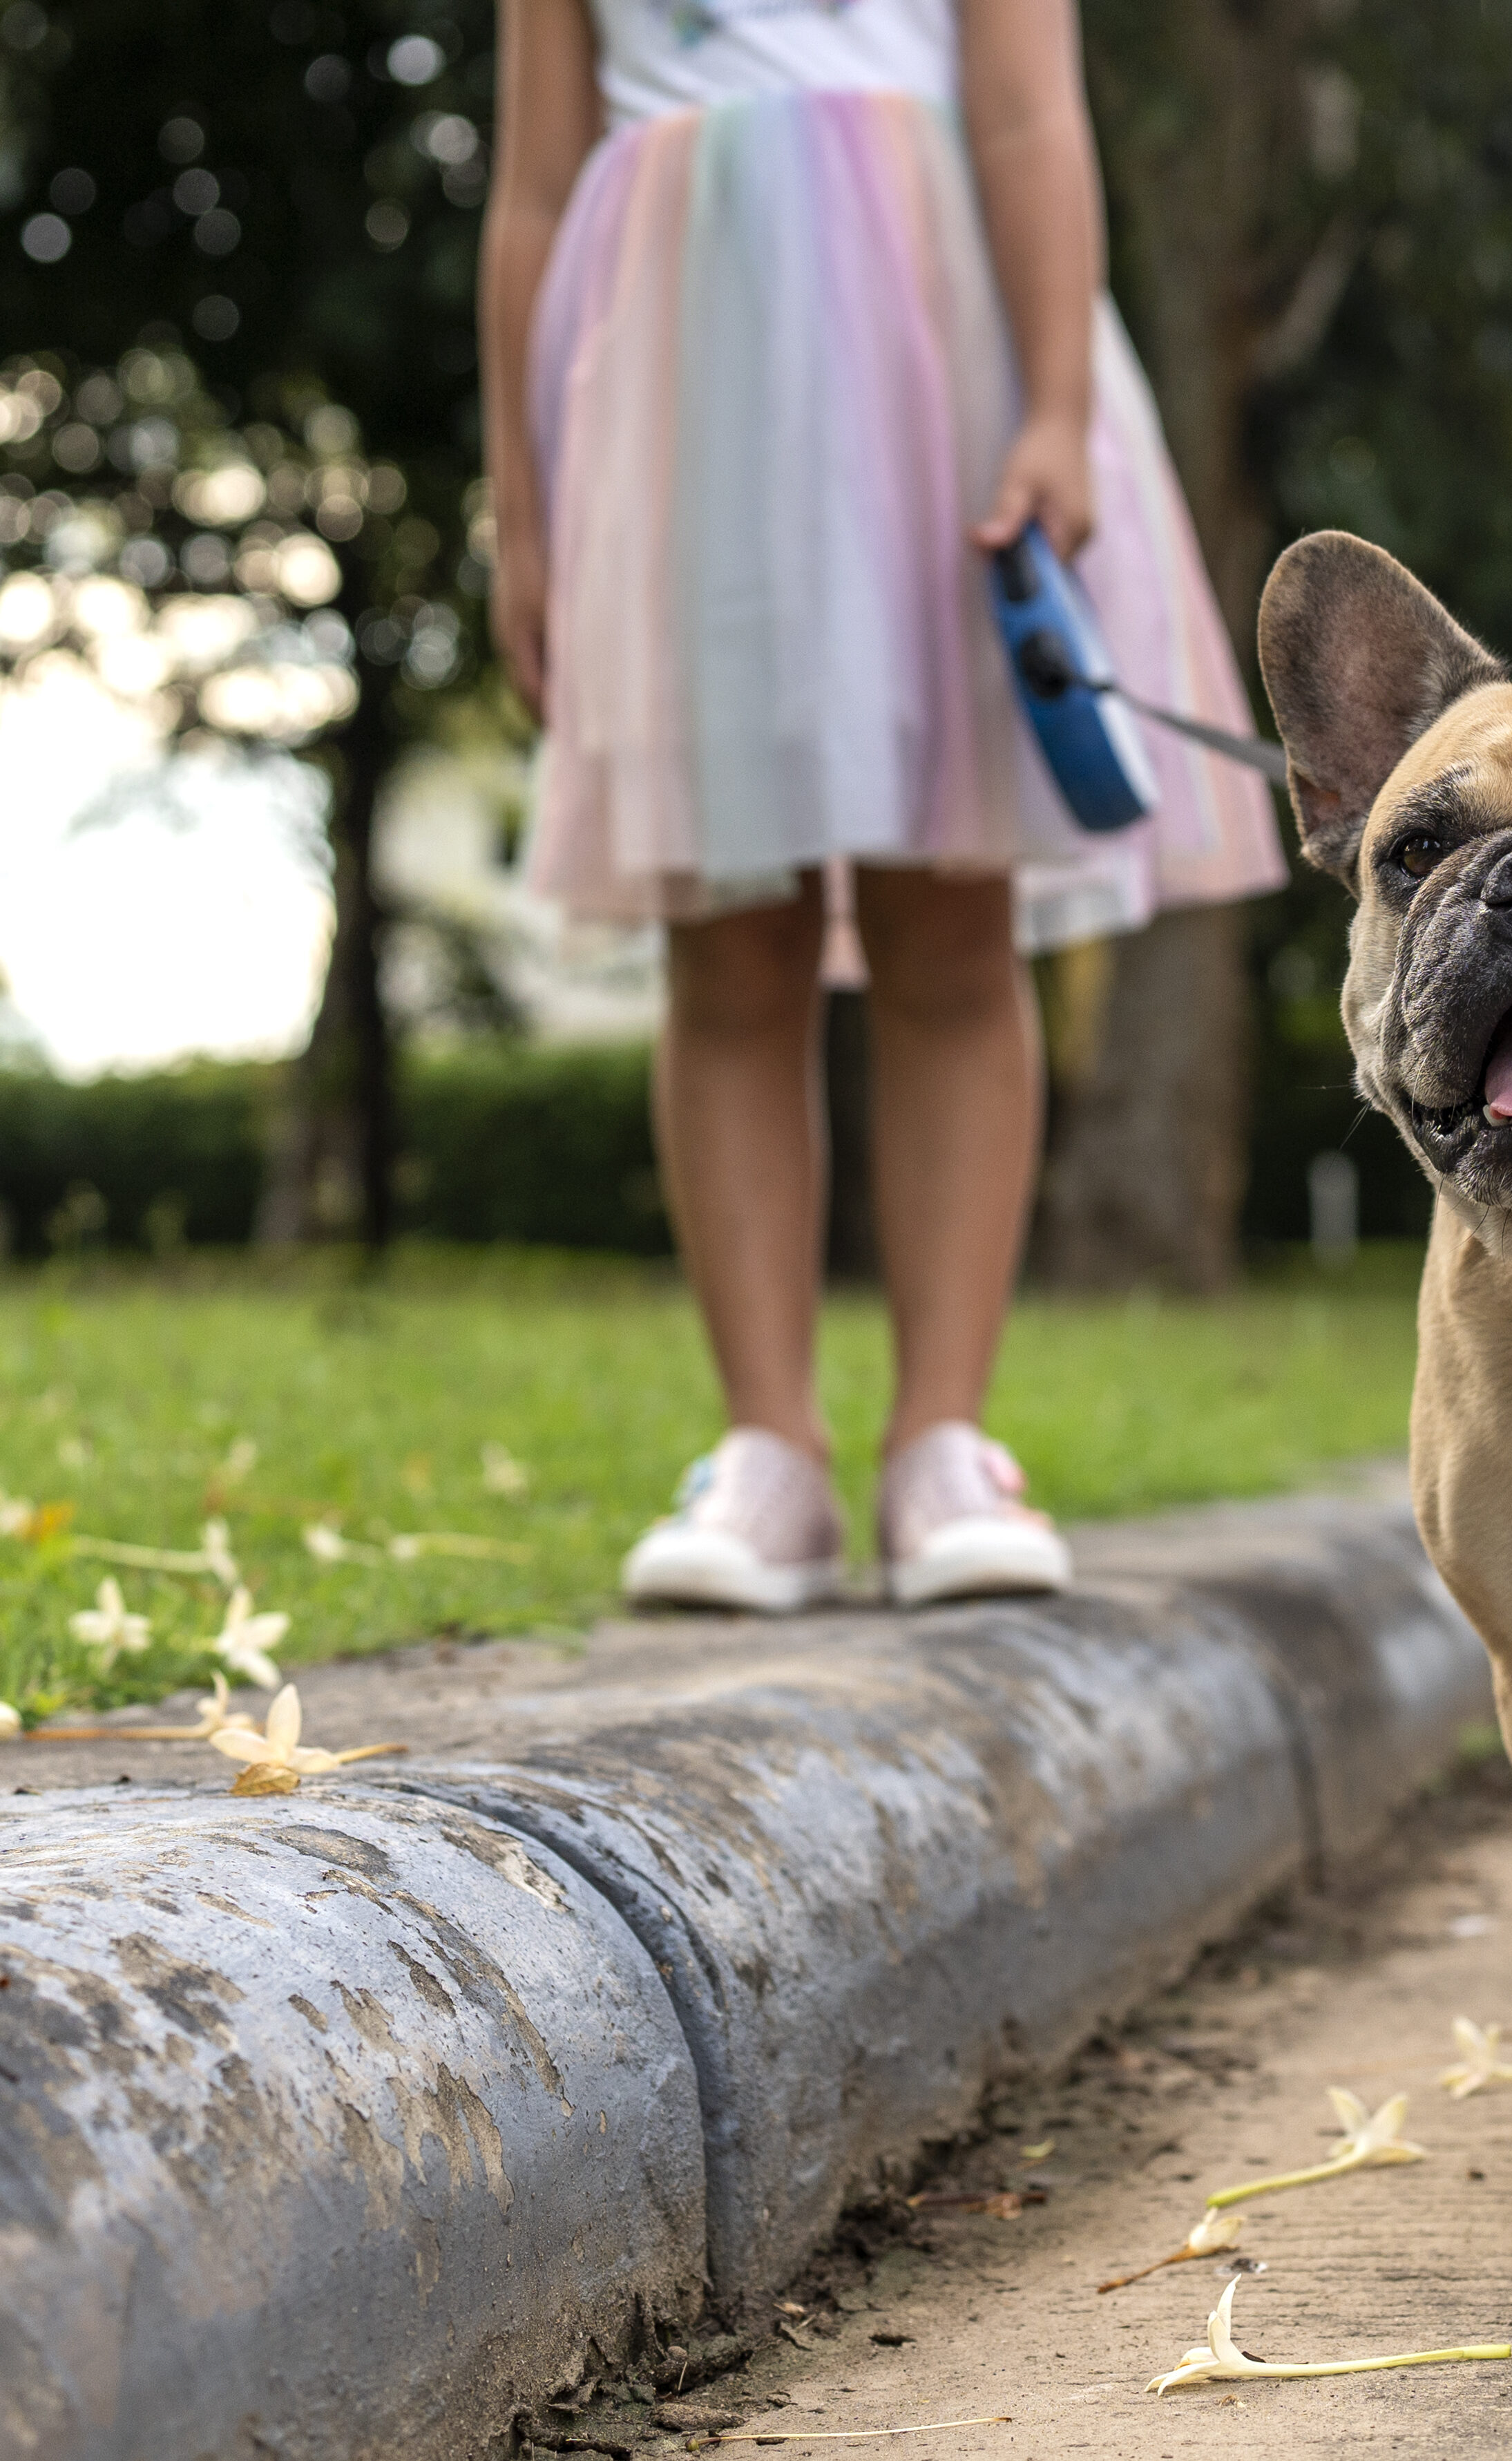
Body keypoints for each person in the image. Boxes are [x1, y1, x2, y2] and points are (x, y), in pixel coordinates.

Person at [479, 0, 1283, 1611]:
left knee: (950, 915)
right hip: (674, 396)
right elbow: (535, 188)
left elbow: (1027, 116)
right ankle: (766, 1448)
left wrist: (1055, 403)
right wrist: (523, 500)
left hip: (933, 365)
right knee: (726, 939)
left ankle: (943, 1438)